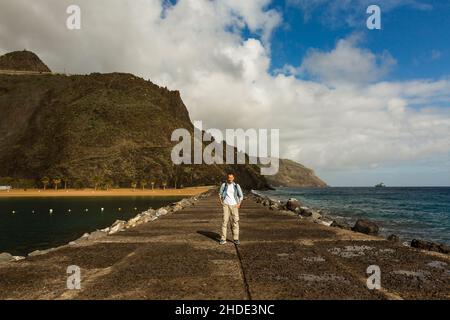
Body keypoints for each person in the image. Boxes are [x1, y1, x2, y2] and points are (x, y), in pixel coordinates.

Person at [218, 173, 243, 245]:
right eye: (229, 178)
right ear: (227, 178)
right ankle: (223, 239)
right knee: (224, 221)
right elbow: (220, 193)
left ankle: (236, 239)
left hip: (234, 205)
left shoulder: (236, 186)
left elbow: (241, 196)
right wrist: (221, 202)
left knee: (235, 222)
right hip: (226, 205)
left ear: (233, 178)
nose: (230, 179)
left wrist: (239, 204)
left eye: (231, 178)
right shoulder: (224, 185)